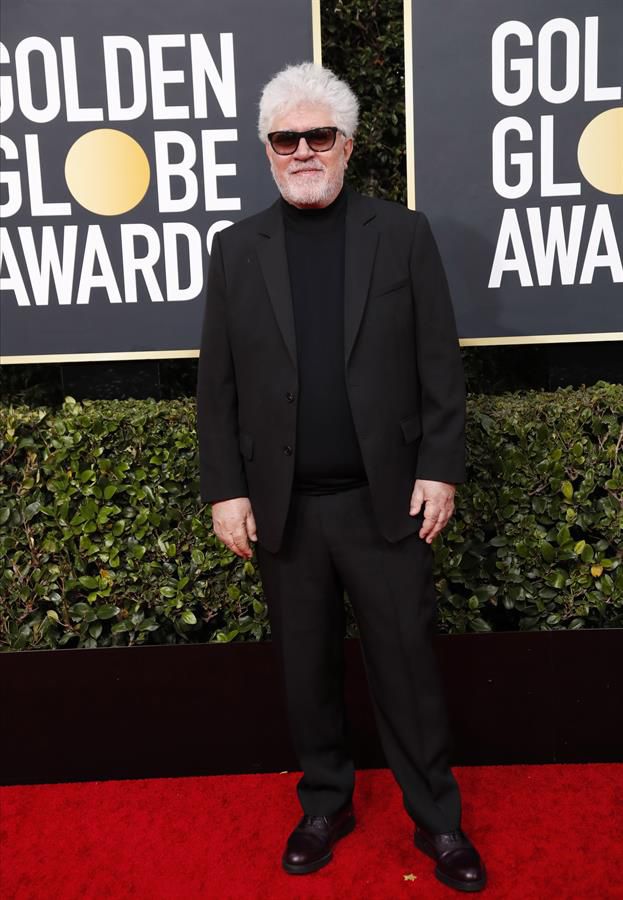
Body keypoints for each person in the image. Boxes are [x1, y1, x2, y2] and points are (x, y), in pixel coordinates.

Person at [196, 62, 486, 893]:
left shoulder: (402, 234)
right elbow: (216, 384)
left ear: (347, 145)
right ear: (266, 149)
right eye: (284, 139)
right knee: (305, 670)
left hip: (383, 502)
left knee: (407, 668)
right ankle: (325, 803)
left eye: (317, 136)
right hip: (284, 509)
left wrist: (438, 469)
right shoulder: (235, 249)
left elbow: (439, 363)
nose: (301, 152)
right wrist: (226, 488)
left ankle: (437, 820)